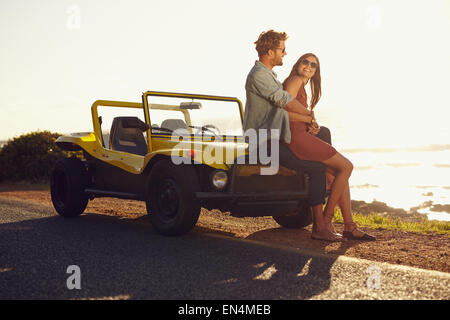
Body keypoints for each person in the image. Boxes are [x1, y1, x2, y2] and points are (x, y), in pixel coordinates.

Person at [244, 30, 334, 241]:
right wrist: (308, 115)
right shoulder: (258, 75)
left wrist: (309, 123)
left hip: (276, 138)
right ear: (269, 51)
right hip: (265, 143)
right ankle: (319, 226)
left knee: (324, 135)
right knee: (316, 167)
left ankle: (329, 183)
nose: (285, 54)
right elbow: (282, 100)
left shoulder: (270, 76)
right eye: (282, 50)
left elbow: (283, 112)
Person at [282, 53, 376, 241]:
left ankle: (349, 225)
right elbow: (282, 113)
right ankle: (325, 220)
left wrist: (311, 124)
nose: (309, 66)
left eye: (313, 65)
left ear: (316, 71)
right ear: (297, 64)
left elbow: (296, 114)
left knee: (339, 173)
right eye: (305, 62)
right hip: (297, 139)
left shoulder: (300, 84)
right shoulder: (294, 80)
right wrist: (308, 118)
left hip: (302, 135)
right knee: (347, 166)